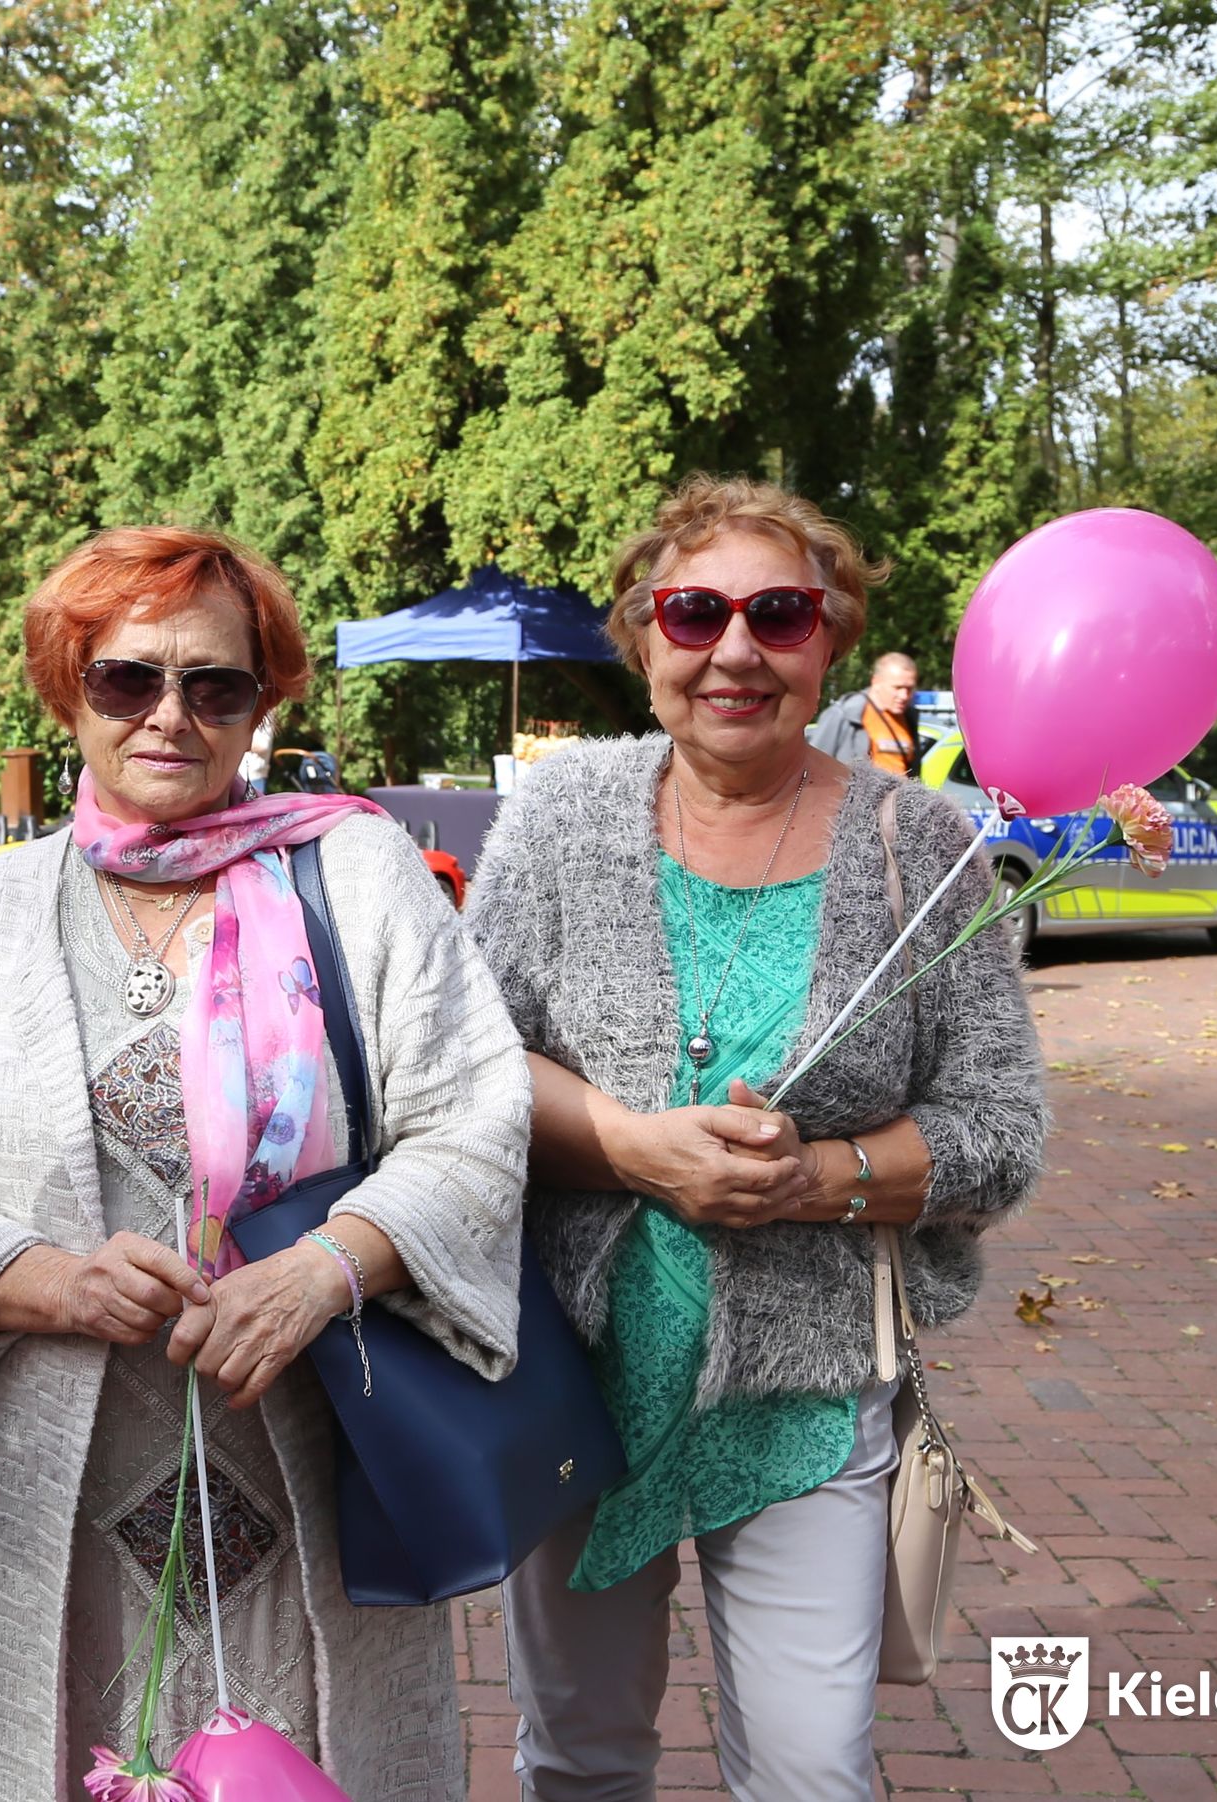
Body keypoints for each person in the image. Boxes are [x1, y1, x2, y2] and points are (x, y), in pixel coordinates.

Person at [0, 525, 531, 1802]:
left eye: (215, 684)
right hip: (49, 1493)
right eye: (127, 678)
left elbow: (475, 1121)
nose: (170, 714)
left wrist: (325, 1268)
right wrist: (56, 1281)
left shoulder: (360, 879)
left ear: (261, 704)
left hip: (312, 1461)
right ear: (68, 688)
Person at [464, 476, 1047, 1801]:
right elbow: (467, 1058)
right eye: (694, 612)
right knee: (578, 1755)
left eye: (778, 614)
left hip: (804, 1386)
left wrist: (816, 1179)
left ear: (830, 639)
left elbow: (1000, 1130)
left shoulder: (919, 843)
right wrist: (632, 1146)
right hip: (572, 1375)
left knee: (809, 1767)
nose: (735, 649)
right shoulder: (563, 814)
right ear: (643, 636)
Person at [808, 648, 921, 776]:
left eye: (909, 689)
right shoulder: (844, 715)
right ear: (876, 681)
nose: (904, 696)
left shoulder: (909, 718)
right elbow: (813, 766)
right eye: (897, 687)